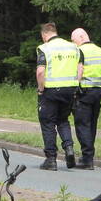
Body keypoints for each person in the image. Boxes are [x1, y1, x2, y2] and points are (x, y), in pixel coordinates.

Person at [35, 22, 81, 170]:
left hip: (51, 91)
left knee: (48, 123)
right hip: (70, 90)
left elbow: (40, 72)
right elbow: (80, 69)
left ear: (44, 34)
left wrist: (41, 89)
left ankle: (51, 159)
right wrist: (75, 86)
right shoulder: (73, 47)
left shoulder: (44, 48)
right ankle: (69, 148)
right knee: (63, 120)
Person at [70, 28, 101, 170]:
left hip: (83, 93)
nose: (73, 43)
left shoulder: (79, 51)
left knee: (82, 125)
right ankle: (88, 157)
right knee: (91, 126)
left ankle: (87, 159)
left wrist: (75, 88)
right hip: (97, 93)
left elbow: (80, 70)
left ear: (82, 37)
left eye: (73, 40)